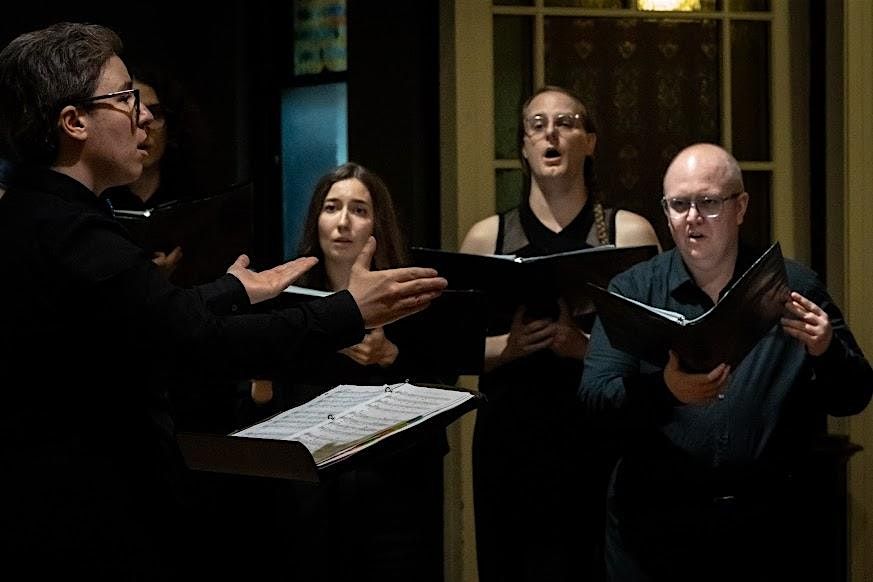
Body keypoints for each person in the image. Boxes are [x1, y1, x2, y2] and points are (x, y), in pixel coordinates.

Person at [0, 22, 446, 578]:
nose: (144, 117)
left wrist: (233, 289)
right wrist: (349, 310)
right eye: (126, 98)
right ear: (74, 122)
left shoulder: (40, 214)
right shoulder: (73, 233)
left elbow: (154, 317)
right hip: (81, 518)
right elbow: (198, 342)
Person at [579, 142, 873, 582]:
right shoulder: (634, 290)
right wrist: (666, 391)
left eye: (709, 202)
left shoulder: (793, 285)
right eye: (679, 204)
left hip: (768, 532)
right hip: (655, 532)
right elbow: (594, 400)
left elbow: (854, 396)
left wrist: (826, 349)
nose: (692, 218)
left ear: (741, 207)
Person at [460, 85, 661, 581]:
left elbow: (655, 351)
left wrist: (585, 349)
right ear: (524, 147)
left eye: (566, 123)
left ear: (590, 142)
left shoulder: (629, 233)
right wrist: (508, 348)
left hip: (597, 439)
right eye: (537, 125)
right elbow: (455, 350)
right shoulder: (487, 238)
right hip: (511, 444)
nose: (551, 133)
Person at [242, 162, 448, 581]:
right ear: (316, 220)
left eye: (359, 210)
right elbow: (261, 411)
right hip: (309, 500)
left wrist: (391, 356)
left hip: (392, 497)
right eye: (331, 207)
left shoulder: (410, 299)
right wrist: (261, 375)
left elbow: (442, 397)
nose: (342, 222)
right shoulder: (289, 303)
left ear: (377, 225)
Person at [104, 60, 199, 273]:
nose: (144, 122)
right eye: (131, 111)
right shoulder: (98, 200)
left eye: (155, 112)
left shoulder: (193, 199)